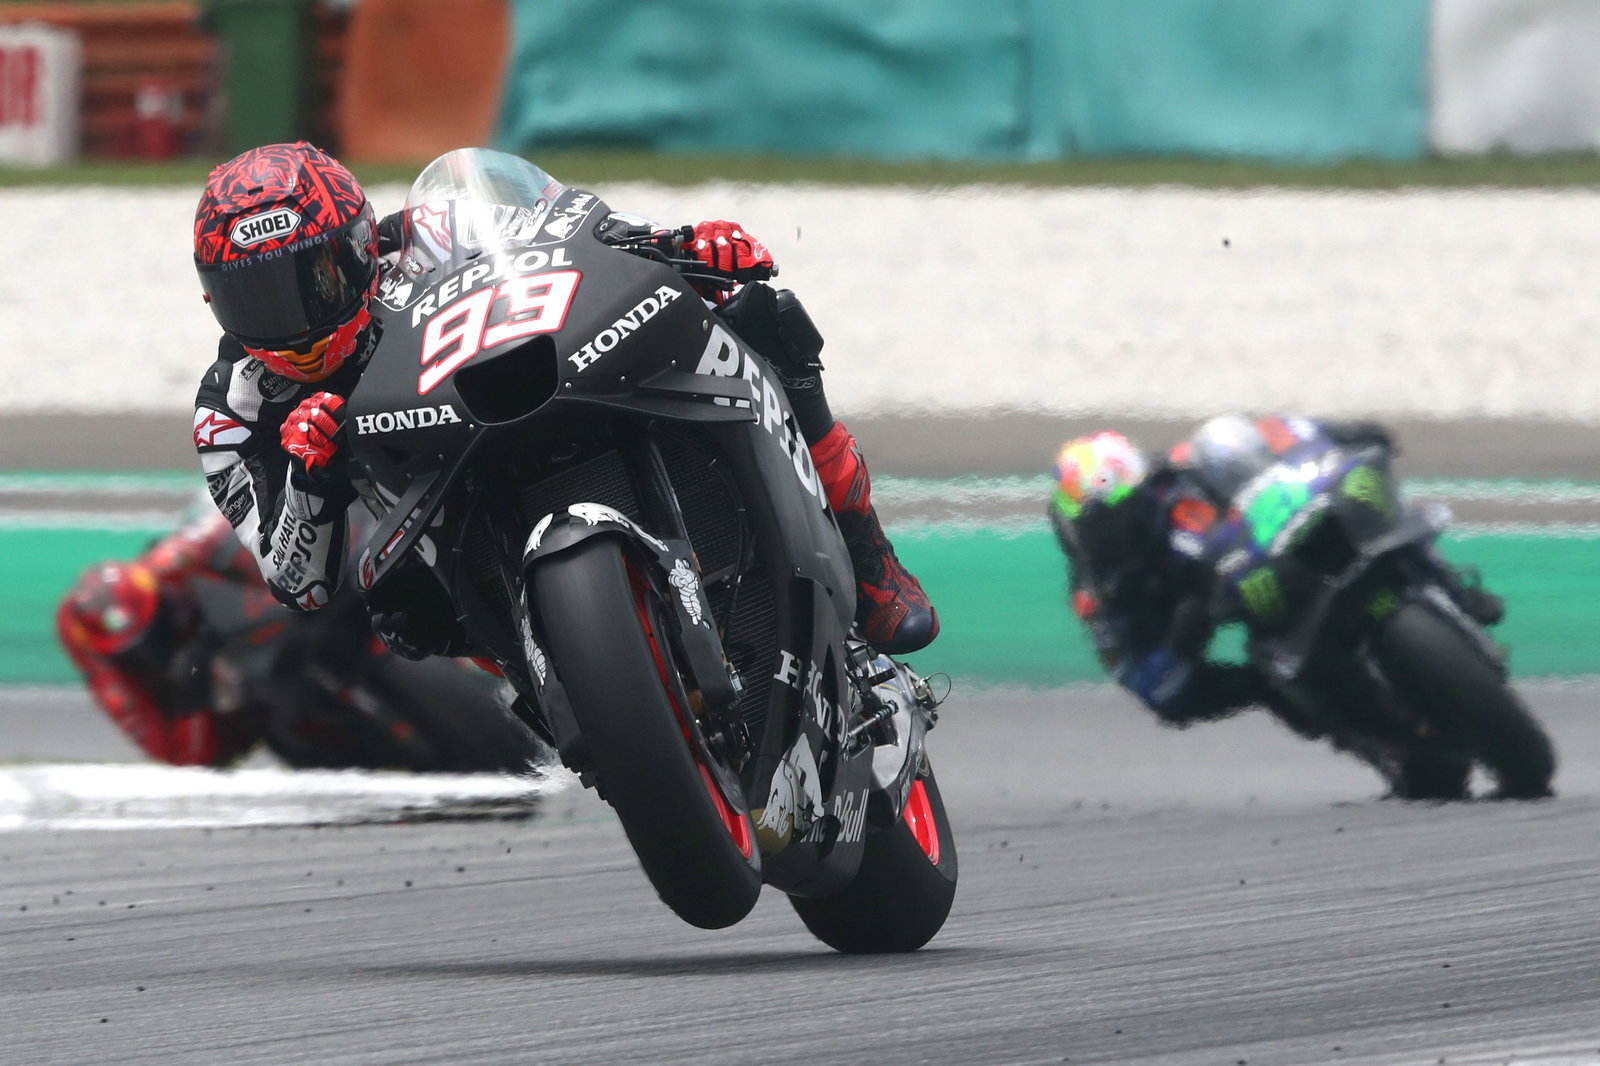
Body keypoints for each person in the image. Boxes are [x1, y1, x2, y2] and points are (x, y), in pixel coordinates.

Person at [190, 142, 937, 656]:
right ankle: (563, 693)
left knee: (760, 319)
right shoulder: (234, 409)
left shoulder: (430, 234)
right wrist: (310, 480)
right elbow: (298, 582)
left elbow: (582, 231)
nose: (293, 323)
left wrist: (679, 246)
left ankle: (871, 560)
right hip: (439, 518)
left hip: (538, 394)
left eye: (309, 280)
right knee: (401, 613)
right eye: (251, 300)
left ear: (355, 246)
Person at [1048, 414, 1504, 728]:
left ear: (1144, 485)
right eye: (1092, 525)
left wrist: (1337, 435)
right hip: (1246, 607)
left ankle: (1448, 587)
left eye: (1116, 517)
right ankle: (1354, 726)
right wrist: (1183, 640)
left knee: (1360, 506)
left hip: (1278, 547)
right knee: (1258, 684)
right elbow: (1149, 683)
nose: (1107, 535)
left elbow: (1282, 437)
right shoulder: (1097, 592)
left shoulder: (1189, 466)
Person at [57, 511, 263, 766]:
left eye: (154, 626)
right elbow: (176, 756)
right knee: (197, 746)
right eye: (139, 645)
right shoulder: (115, 684)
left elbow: (227, 520)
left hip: (233, 610)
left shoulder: (166, 563)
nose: (152, 645)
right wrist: (191, 698)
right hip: (191, 686)